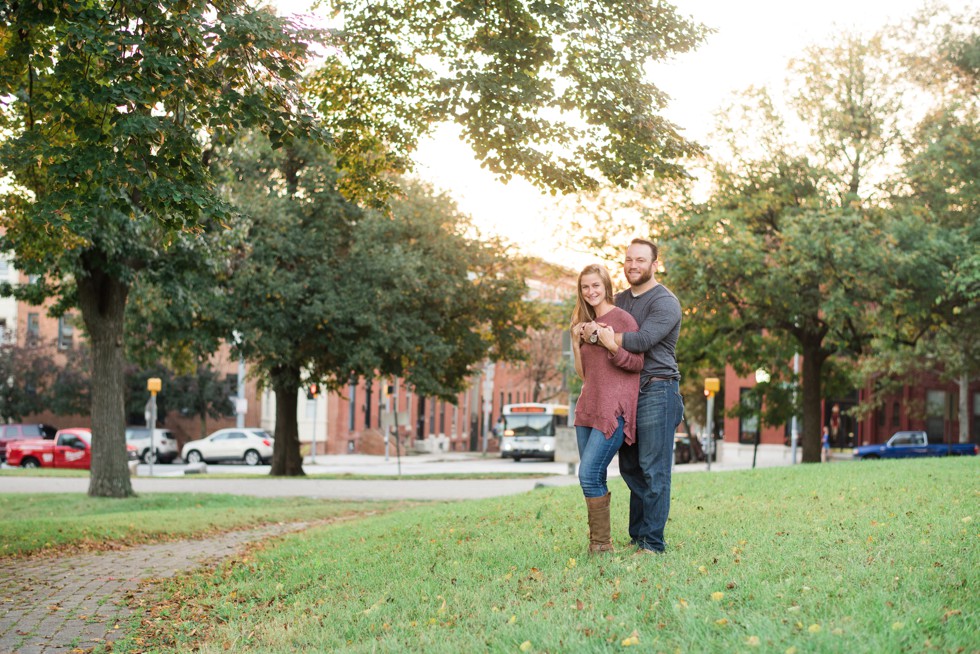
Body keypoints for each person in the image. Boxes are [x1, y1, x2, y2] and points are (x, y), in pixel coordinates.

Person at [611, 238, 684, 555]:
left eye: (640, 260)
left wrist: (603, 335)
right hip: (625, 391)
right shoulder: (618, 300)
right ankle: (638, 535)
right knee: (630, 468)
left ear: (655, 265)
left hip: (658, 388)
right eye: (628, 260)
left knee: (654, 470)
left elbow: (642, 340)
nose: (633, 266)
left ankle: (653, 542)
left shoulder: (665, 302)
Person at [570, 264, 644, 554]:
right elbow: (583, 374)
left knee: (587, 474)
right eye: (585, 287)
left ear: (606, 287)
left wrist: (610, 344)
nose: (591, 292)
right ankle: (598, 544)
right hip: (587, 408)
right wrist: (576, 344)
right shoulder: (581, 321)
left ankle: (601, 545)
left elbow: (637, 364)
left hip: (613, 411)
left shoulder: (623, 319)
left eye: (596, 286)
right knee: (593, 477)